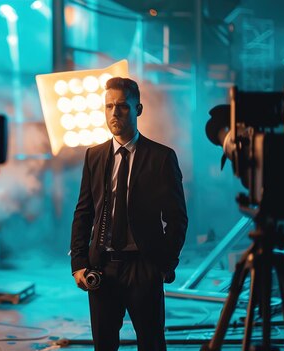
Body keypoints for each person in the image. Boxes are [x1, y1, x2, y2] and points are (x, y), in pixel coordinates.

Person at [70, 77, 187, 351]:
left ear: (139, 109)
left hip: (143, 267)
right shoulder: (94, 156)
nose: (114, 113)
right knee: (104, 345)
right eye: (109, 106)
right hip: (102, 267)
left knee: (152, 344)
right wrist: (78, 262)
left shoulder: (161, 157)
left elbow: (177, 217)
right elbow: (84, 211)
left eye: (122, 106)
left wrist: (164, 265)